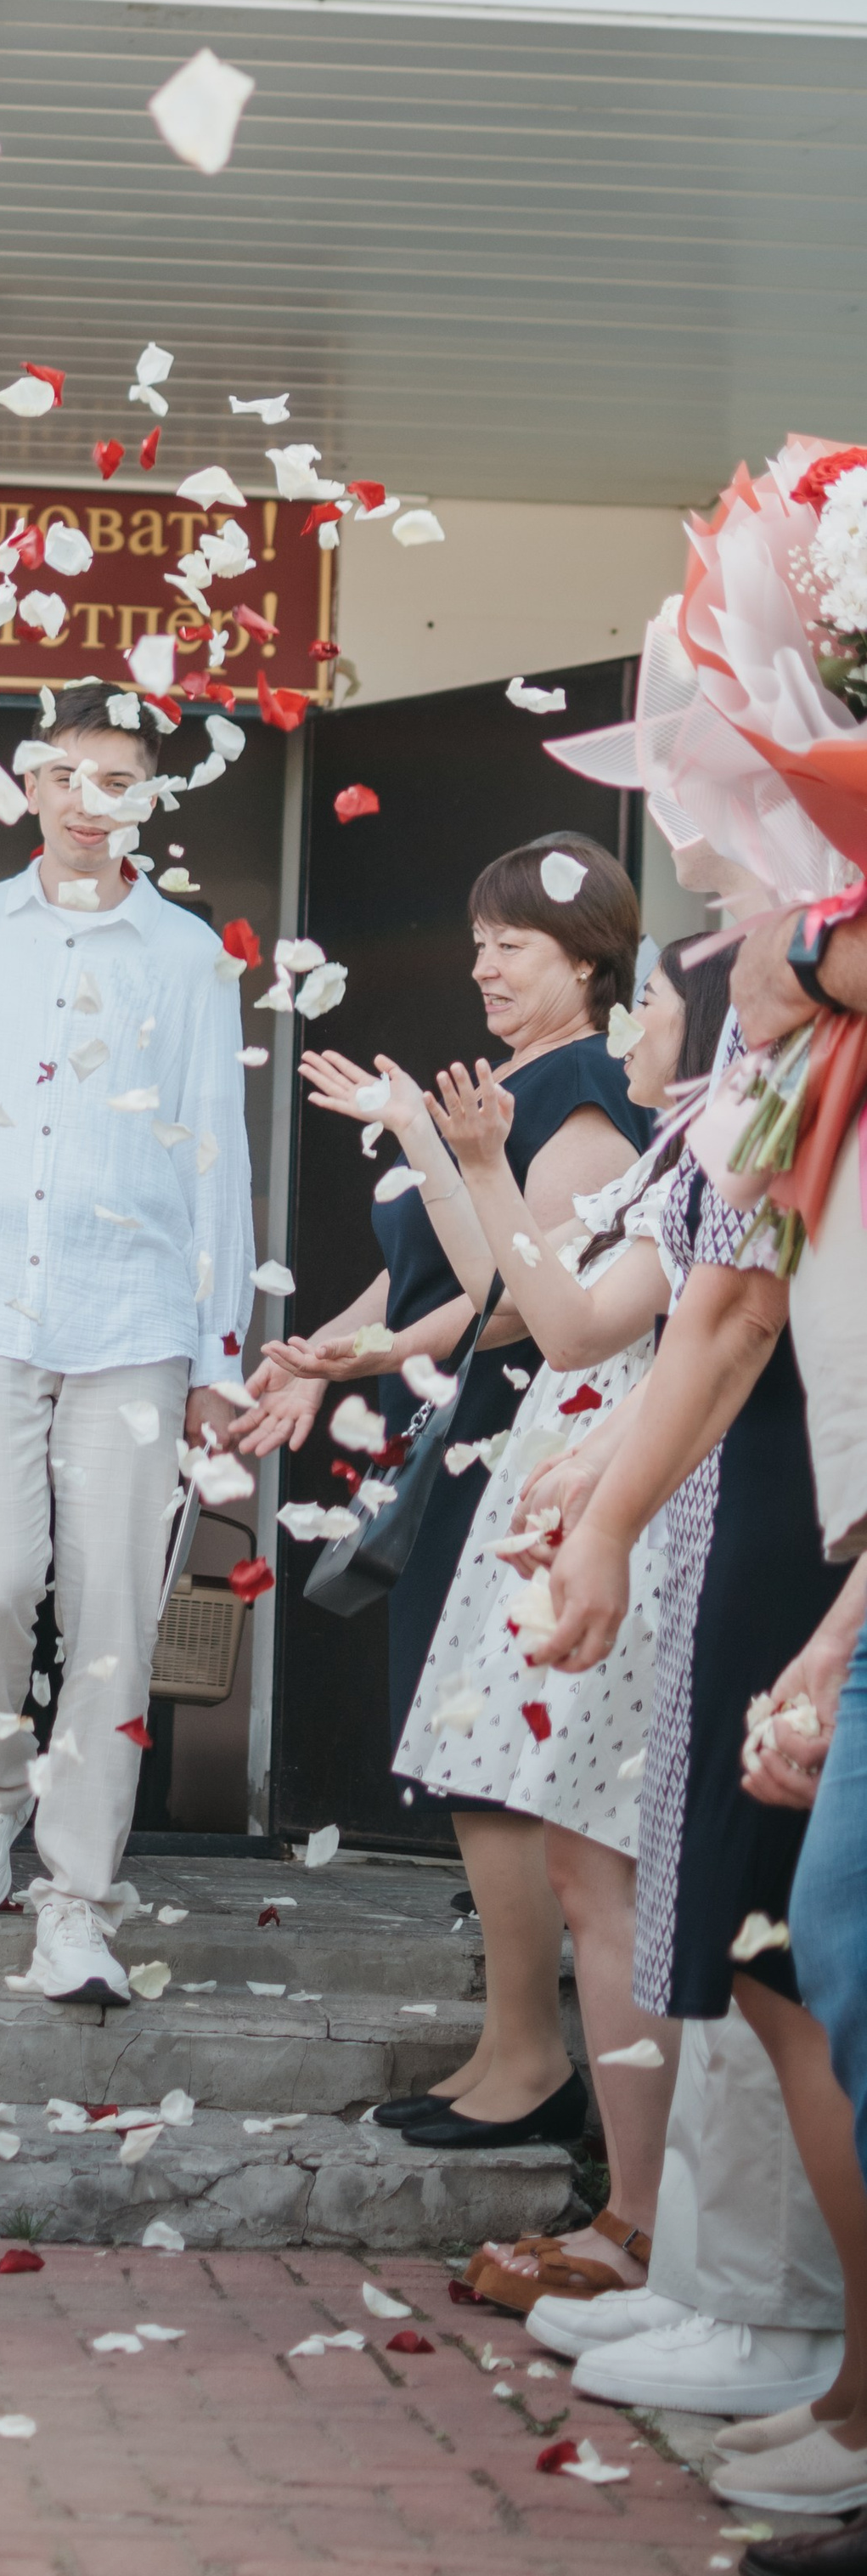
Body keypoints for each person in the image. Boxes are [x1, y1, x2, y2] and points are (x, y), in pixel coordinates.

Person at [305, 938, 730, 2309]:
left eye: (656, 1003)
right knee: (580, 1867)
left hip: (633, 1497)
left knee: (602, 1872)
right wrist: (451, 1151)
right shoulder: (669, 1163)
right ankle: (635, 2205)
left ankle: (644, 2217)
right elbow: (536, 1297)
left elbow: (567, 1333)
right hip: (581, 1474)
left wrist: (467, 1164)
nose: (636, 1027)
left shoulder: (692, 1158)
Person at [236, 831, 645, 2133]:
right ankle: (504, 2048)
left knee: (493, 1742)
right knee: (462, 1736)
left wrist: (429, 1138)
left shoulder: (580, 1092)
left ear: (587, 961)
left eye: (509, 946)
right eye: (478, 944)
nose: (483, 967)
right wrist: (332, 1356)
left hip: (528, 1428)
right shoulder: (496, 1083)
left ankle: (533, 2062)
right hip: (464, 1414)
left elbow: (517, 1306)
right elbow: (431, 1282)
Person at [0, 680, 254, 2008]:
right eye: (68, 776)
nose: (92, 805)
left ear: (149, 797)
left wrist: (217, 1355)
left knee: (111, 1617)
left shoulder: (191, 954)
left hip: (135, 1319)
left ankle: (75, 1894)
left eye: (121, 782)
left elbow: (218, 1148)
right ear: (29, 783)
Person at [525, 1037, 859, 2483]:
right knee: (767, 1943)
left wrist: (607, 1520)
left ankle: (810, 2347)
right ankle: (803, 2348)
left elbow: (731, 1316)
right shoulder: (780, 1073)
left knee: (798, 1946)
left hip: (806, 1512)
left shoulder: (806, 1067)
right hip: (781, 1513)